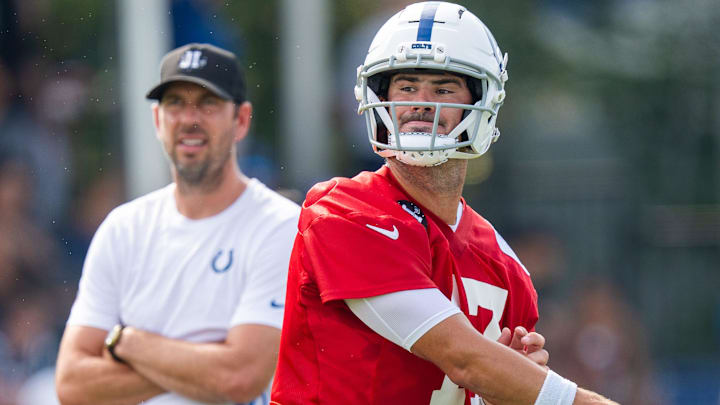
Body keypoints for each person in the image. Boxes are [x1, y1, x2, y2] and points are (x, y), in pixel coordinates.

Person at [271, 3, 618, 405]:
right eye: (406, 86)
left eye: (442, 89)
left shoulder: (506, 266)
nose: (421, 103)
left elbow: (478, 376)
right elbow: (465, 359)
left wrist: (507, 388)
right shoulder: (344, 213)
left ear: (483, 101)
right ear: (380, 99)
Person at [55, 43, 300, 405]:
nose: (189, 118)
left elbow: (240, 378)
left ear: (242, 120)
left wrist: (127, 342)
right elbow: (72, 385)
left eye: (208, 103)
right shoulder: (123, 228)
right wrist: (203, 361)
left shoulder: (279, 225)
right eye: (175, 104)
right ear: (157, 120)